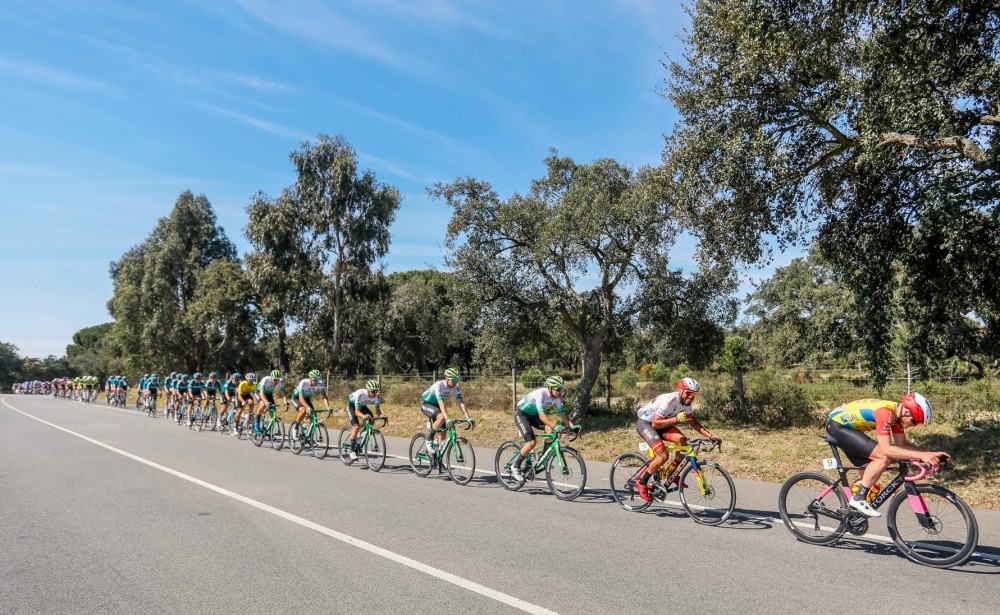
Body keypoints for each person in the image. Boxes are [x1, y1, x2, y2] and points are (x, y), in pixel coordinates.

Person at [826, 393, 950, 517]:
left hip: (849, 430)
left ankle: (849, 513)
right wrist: (923, 456)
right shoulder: (886, 413)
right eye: (915, 420)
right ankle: (858, 499)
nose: (914, 425)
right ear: (907, 410)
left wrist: (929, 454)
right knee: (883, 457)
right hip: (838, 428)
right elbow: (886, 449)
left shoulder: (896, 418)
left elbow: (902, 445)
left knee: (869, 477)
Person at [634, 377, 720, 503]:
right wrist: (676, 419)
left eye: (694, 394)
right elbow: (655, 424)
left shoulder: (686, 403)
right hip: (647, 423)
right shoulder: (669, 400)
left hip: (662, 424)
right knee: (663, 455)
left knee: (683, 442)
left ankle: (672, 473)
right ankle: (642, 482)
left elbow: (693, 422)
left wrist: (711, 436)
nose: (691, 397)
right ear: (680, 391)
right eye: (688, 393)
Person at [510, 375, 576, 481]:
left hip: (534, 415)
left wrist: (574, 426)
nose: (561, 392)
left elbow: (564, 415)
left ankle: (544, 458)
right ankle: (516, 466)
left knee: (550, 430)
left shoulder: (557, 398)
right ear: (550, 388)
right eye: (558, 390)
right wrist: (556, 426)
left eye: (562, 389)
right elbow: (542, 416)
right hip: (522, 414)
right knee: (532, 443)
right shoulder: (541, 394)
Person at [420, 368, 470, 455]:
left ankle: (438, 459)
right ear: (447, 379)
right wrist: (447, 418)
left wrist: (467, 417)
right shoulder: (439, 385)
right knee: (442, 417)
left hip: (437, 406)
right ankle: (429, 439)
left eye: (457, 379)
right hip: (427, 404)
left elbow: (460, 401)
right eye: (454, 380)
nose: (456, 382)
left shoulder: (456, 387)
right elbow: (441, 402)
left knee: (443, 434)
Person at [345, 380, 384, 460]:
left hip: (362, 406)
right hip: (352, 406)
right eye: (373, 391)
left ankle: (360, 436)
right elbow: (356, 411)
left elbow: (377, 410)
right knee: (356, 427)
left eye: (377, 391)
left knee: (371, 421)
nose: (375, 393)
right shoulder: (360, 394)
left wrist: (382, 415)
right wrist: (363, 416)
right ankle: (352, 451)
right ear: (368, 391)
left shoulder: (376, 395)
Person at [289, 370, 331, 436]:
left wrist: (328, 407)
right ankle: (296, 427)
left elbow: (324, 397)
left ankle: (309, 436)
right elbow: (301, 398)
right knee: (303, 411)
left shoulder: (320, 383)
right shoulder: (304, 382)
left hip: (307, 399)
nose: (317, 381)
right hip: (297, 398)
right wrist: (308, 408)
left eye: (318, 379)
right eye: (315, 379)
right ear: (310, 379)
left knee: (314, 417)